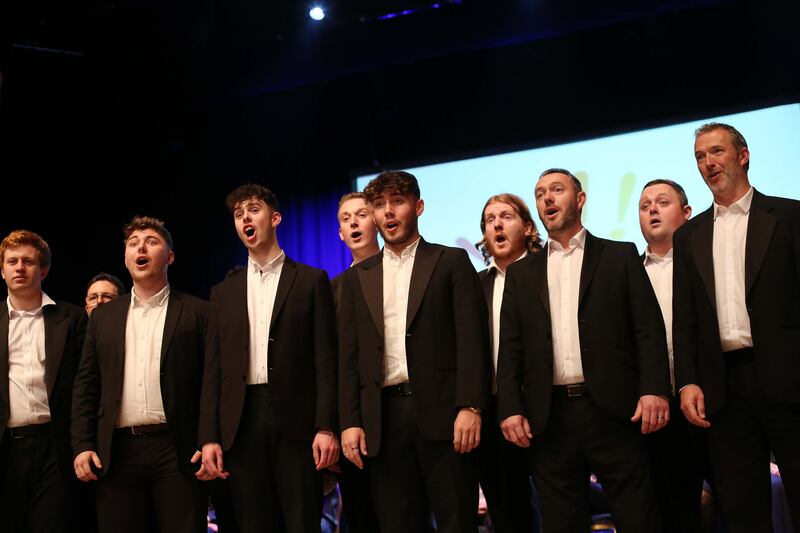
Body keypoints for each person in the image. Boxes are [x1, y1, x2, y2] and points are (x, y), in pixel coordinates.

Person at [497, 168, 671, 532]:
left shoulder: (619, 256)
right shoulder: (522, 273)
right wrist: (511, 407)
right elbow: (510, 349)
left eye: (557, 190)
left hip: (614, 410)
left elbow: (648, 329)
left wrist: (654, 389)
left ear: (579, 200)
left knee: (639, 519)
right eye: (540, 192)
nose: (547, 198)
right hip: (549, 417)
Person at [338, 170, 490, 533]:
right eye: (380, 205)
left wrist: (470, 406)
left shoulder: (450, 261)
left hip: (445, 414)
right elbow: (349, 358)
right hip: (384, 420)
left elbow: (472, 341)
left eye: (398, 202)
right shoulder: (358, 278)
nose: (388, 213)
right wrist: (350, 421)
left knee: (457, 521)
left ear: (418, 206)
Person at [674, 122, 800, 532]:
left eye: (716, 152)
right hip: (723, 389)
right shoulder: (689, 235)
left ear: (742, 155)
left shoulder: (789, 215)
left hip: (788, 377)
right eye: (699, 156)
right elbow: (685, 317)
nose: (708, 163)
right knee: (744, 512)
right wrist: (689, 381)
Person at [199, 183, 339, 533]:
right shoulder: (223, 292)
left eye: (253, 209)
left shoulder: (310, 280)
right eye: (237, 213)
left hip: (297, 420)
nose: (245, 217)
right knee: (254, 523)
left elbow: (325, 359)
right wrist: (210, 437)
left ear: (274, 218)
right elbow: (213, 370)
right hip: (241, 420)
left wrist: (326, 426)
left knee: (301, 521)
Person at [72, 216, 211, 533]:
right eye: (133, 244)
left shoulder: (198, 312)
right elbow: (86, 385)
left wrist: (208, 438)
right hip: (117, 450)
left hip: (178, 449)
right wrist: (82, 444)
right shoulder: (104, 317)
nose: (141, 248)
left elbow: (210, 383)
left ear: (170, 257)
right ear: (125, 257)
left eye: (150, 241)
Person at [0, 230, 90, 533]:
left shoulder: (73, 318)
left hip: (56, 446)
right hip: (4, 449)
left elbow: (85, 385)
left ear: (44, 269)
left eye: (28, 261)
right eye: (12, 261)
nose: (19, 267)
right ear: (2, 270)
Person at [638, 179, 706, 532]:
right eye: (645, 204)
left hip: (713, 402)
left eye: (662, 202)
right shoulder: (628, 272)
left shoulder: (706, 262)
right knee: (673, 513)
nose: (652, 209)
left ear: (687, 213)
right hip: (658, 413)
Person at [474, 193, 541, 533]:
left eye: (506, 216)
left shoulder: (548, 272)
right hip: (495, 413)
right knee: (507, 512)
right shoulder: (476, 285)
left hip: (545, 407)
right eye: (489, 219)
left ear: (528, 227)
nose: (497, 224)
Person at [331, 191, 381, 533]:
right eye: (346, 219)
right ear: (340, 233)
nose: (354, 223)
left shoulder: (403, 277)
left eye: (361, 215)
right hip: (353, 425)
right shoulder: (331, 289)